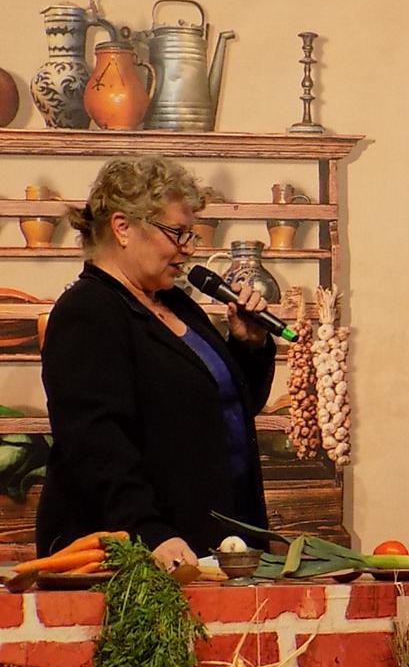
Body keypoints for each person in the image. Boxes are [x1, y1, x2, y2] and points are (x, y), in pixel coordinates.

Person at [36, 156, 276, 570]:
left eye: (190, 234)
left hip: (216, 540)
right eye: (177, 233)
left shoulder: (177, 303)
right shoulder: (88, 311)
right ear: (123, 227)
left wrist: (248, 347)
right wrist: (149, 531)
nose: (187, 248)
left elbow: (227, 411)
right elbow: (95, 444)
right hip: (145, 552)